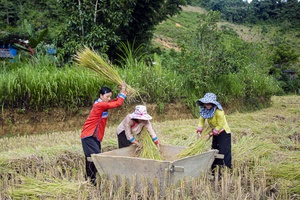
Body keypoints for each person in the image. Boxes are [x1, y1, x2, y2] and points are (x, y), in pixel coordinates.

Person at [80, 82, 127, 185]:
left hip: (95, 137)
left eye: (110, 96)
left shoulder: (102, 104)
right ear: (101, 96)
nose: (109, 98)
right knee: (97, 157)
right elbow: (118, 103)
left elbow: (114, 101)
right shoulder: (99, 105)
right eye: (107, 96)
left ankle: (90, 179)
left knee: (91, 158)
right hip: (88, 136)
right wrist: (123, 90)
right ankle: (93, 179)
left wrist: (121, 93)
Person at [196, 93, 232, 176]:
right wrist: (199, 131)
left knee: (223, 152)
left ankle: (224, 172)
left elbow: (220, 125)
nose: (207, 105)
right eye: (206, 104)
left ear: (213, 103)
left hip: (223, 132)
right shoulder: (204, 110)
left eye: (209, 104)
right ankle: (214, 171)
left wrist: (210, 134)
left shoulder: (219, 112)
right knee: (214, 150)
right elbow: (201, 121)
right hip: (215, 132)